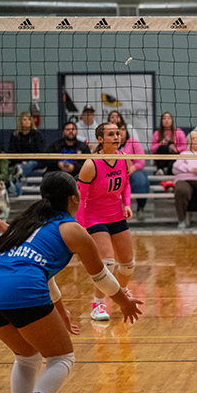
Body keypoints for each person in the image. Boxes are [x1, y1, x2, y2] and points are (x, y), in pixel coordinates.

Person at [0, 172, 141, 393]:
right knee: (62, 357)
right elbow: (101, 277)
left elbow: (42, 273)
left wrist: (60, 310)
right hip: (23, 290)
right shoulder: (72, 230)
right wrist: (124, 302)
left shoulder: (24, 224)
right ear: (74, 198)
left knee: (27, 357)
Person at [77, 123, 136, 322]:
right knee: (108, 263)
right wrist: (80, 227)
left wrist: (126, 204)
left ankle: (122, 291)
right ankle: (98, 304)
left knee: (128, 265)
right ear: (100, 139)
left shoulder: (123, 159)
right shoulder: (91, 164)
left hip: (117, 214)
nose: (116, 137)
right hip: (94, 217)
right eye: (111, 134)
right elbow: (80, 198)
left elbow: (126, 185)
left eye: (117, 133)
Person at [117, 122, 150, 220]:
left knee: (141, 180)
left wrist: (133, 168)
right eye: (118, 131)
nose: (121, 132)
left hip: (133, 171)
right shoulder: (110, 145)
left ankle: (140, 208)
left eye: (123, 129)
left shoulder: (133, 142)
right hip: (116, 173)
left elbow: (141, 161)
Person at [8, 112, 46, 182]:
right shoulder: (15, 136)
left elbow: (40, 151)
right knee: (17, 168)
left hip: (34, 161)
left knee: (28, 165)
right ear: (20, 122)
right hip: (19, 162)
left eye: (29, 119)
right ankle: (19, 175)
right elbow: (12, 152)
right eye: (25, 120)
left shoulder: (36, 135)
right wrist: (21, 161)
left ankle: (19, 173)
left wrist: (27, 160)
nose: (27, 121)